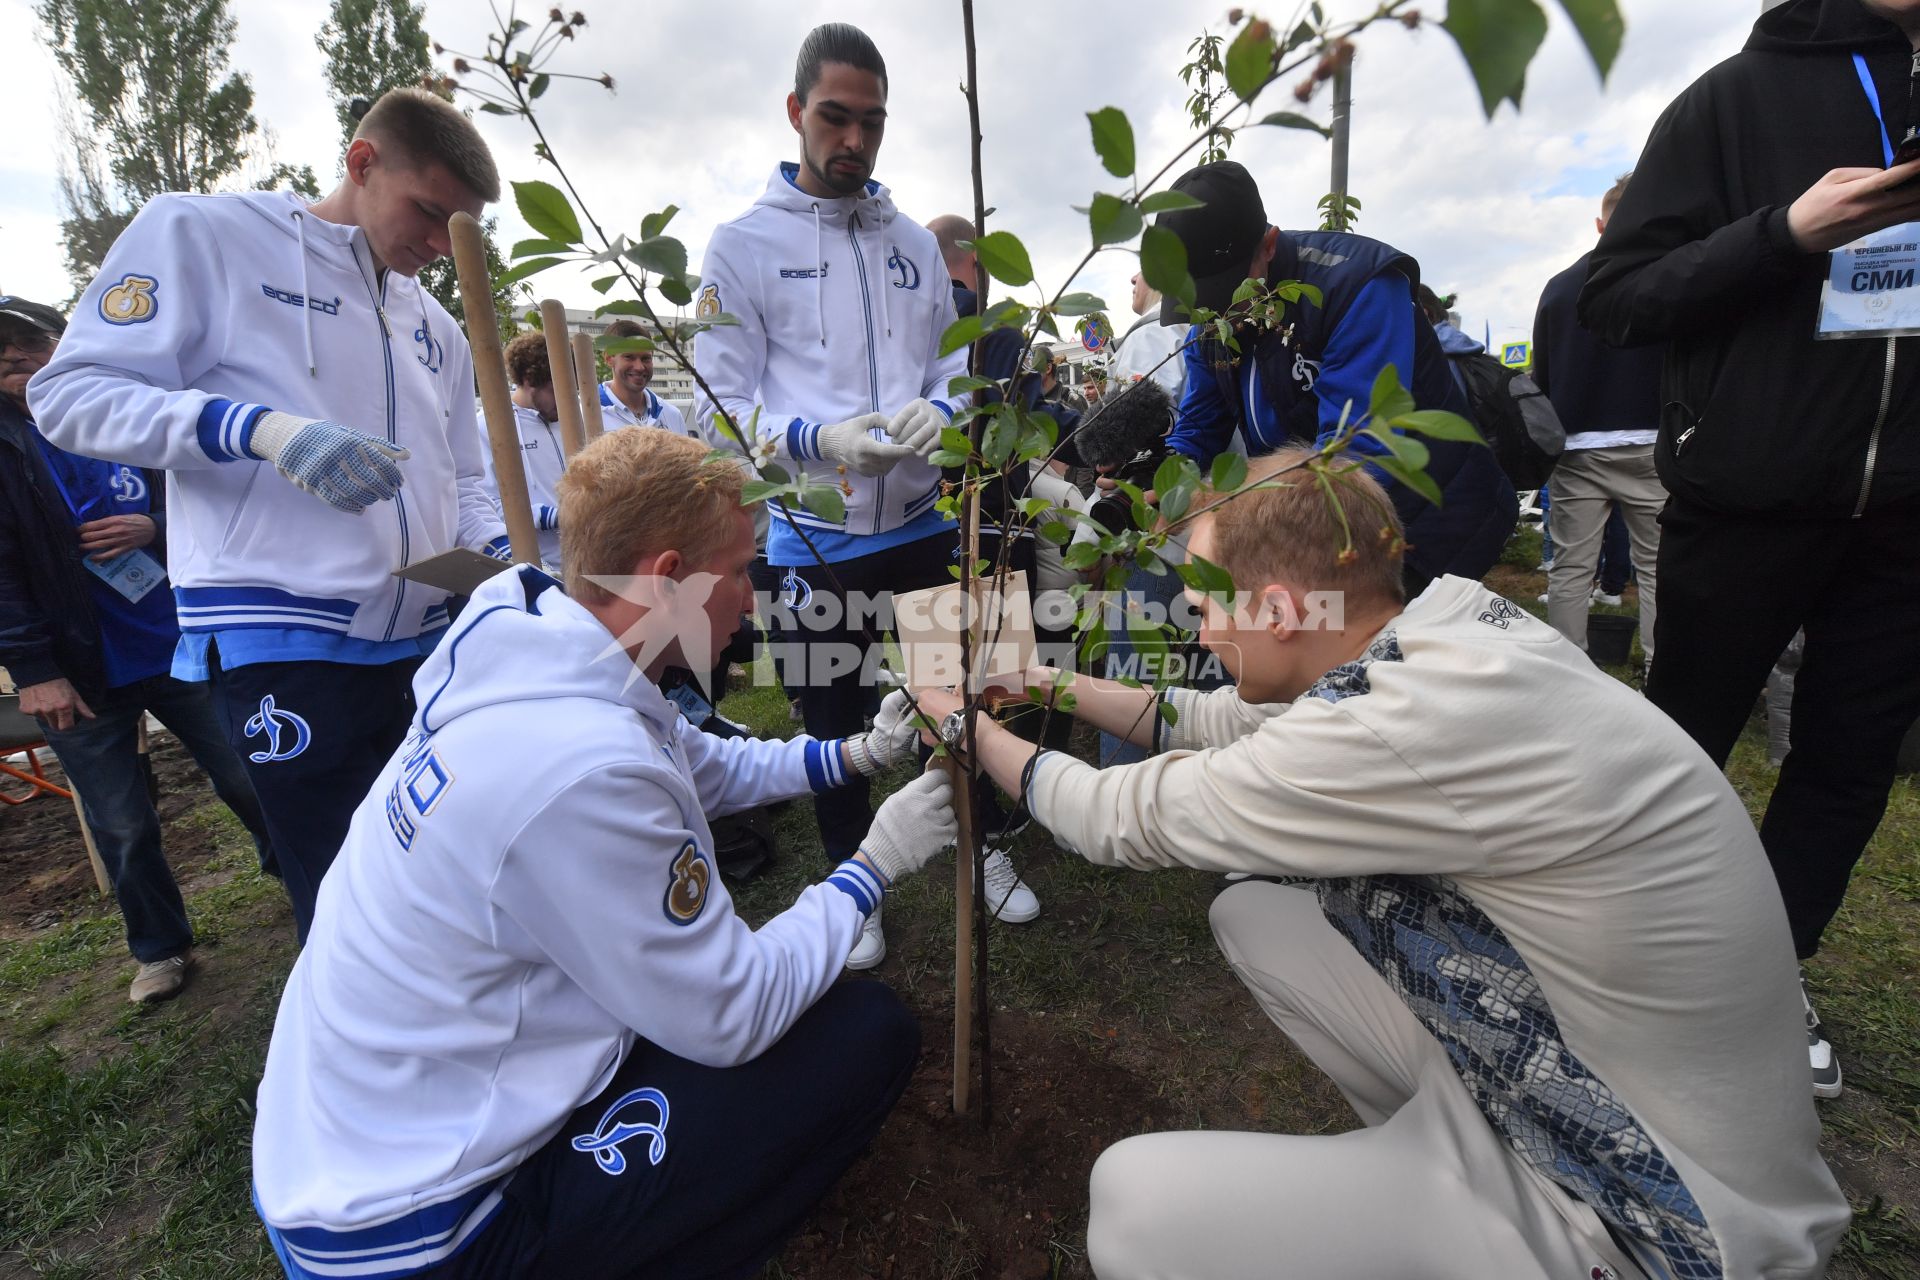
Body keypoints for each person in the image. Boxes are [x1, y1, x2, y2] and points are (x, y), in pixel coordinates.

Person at [916, 449, 1850, 1279]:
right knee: (1256, 915)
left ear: (1278, 610)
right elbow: (1229, 722)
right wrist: (1049, 684)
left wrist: (966, 726)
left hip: (1662, 1213)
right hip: (1615, 1085)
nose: (1198, 634)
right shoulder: (1444, 634)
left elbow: (1121, 818)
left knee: (1132, 1206)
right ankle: (1432, 1167)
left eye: (1205, 610)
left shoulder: (1390, 732)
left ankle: (1524, 1236)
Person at [249, 428, 952, 1279]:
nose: (753, 598)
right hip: (427, 1233)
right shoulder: (576, 767)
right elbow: (734, 1013)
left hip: (362, 1132)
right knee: (865, 1035)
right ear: (665, 578)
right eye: (738, 569)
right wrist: (872, 866)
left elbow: (705, 763)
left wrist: (857, 757)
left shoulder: (544, 646)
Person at [29, 88, 510, 944]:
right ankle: (356, 1067)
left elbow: (464, 472)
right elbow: (69, 396)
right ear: (362, 162)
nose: (439, 247)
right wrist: (258, 429)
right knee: (346, 893)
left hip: (425, 637)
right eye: (429, 213)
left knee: (444, 871)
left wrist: (499, 552)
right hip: (284, 636)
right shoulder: (205, 236)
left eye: (460, 231)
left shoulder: (432, 318)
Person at [1580, 0, 1920, 1098]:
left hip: (1906, 507)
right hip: (1748, 494)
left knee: (1848, 759)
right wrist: (1785, 235)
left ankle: (1766, 981)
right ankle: (1612, 965)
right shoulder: (1734, 97)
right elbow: (1619, 296)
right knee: (1681, 745)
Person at [694, 23, 1037, 968]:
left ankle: (982, 845)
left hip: (925, 521)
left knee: (966, 689)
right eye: (836, 118)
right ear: (797, 111)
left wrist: (939, 407)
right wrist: (812, 440)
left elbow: (954, 368)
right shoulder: (742, 246)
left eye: (872, 123)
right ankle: (856, 879)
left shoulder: (912, 245)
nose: (854, 140)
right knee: (835, 721)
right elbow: (717, 412)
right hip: (811, 536)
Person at [0, 297, 275, 1003]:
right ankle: (160, 948)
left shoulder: (129, 409)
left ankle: (306, 882)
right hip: (80, 671)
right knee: (121, 823)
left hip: (178, 640)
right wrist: (34, 671)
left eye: (25, 341)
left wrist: (151, 525)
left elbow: (204, 497)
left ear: (63, 340)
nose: (11, 357)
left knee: (249, 775)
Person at [1153, 160, 1516, 594]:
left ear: (1269, 245)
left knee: (1401, 648)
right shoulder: (1213, 323)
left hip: (1426, 518)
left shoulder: (1357, 286)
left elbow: (1353, 458)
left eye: (1225, 292)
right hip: (1331, 526)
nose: (1216, 314)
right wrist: (1166, 477)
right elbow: (1200, 423)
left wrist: (1218, 503)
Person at [1533, 172, 1665, 664]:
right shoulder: (1668, 278)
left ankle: (1568, 671)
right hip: (1653, 443)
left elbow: (1541, 376)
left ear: (1598, 224)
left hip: (1577, 445)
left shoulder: (1561, 287)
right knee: (1655, 568)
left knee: (1570, 567)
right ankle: (1659, 669)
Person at [479, 331, 567, 569]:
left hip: (585, 561)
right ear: (529, 380)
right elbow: (484, 504)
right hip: (537, 566)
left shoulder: (573, 417)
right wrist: (548, 516)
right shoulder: (488, 426)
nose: (565, 400)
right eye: (556, 390)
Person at [597, 318, 691, 435]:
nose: (639, 367)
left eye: (645, 358)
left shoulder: (671, 415)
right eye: (629, 357)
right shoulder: (586, 415)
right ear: (609, 358)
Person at [1106, 271, 1188, 403]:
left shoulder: (1147, 335)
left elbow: (1142, 414)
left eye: (1143, 268)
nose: (1133, 279)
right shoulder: (1178, 330)